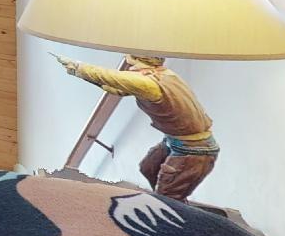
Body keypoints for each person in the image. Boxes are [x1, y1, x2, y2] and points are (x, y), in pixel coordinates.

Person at [55, 54, 218, 200]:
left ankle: (169, 211)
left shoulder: (148, 83)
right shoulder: (163, 75)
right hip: (175, 141)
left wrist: (78, 67)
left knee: (169, 197)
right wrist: (81, 75)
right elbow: (118, 89)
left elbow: (110, 77)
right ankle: (165, 201)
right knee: (148, 168)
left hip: (193, 150)